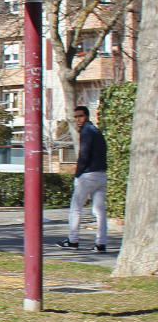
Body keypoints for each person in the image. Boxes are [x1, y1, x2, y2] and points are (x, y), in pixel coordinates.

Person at [57, 105, 109, 253]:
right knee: (99, 211)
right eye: (76, 117)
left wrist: (77, 174)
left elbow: (84, 154)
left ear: (87, 116)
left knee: (76, 208)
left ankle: (73, 240)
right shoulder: (97, 132)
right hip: (101, 174)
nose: (78, 120)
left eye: (81, 116)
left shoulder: (86, 131)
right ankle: (101, 243)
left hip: (88, 175)